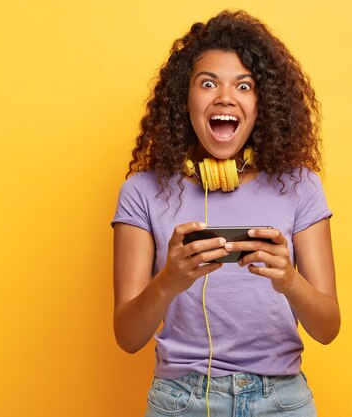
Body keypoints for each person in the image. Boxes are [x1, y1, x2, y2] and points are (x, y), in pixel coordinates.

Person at [111, 10, 340, 417]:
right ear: (185, 98)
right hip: (179, 401)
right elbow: (127, 338)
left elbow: (327, 329)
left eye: (244, 85)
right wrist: (168, 282)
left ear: (262, 101)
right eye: (208, 83)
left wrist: (288, 279)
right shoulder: (141, 192)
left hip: (280, 401)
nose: (224, 97)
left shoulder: (300, 186)